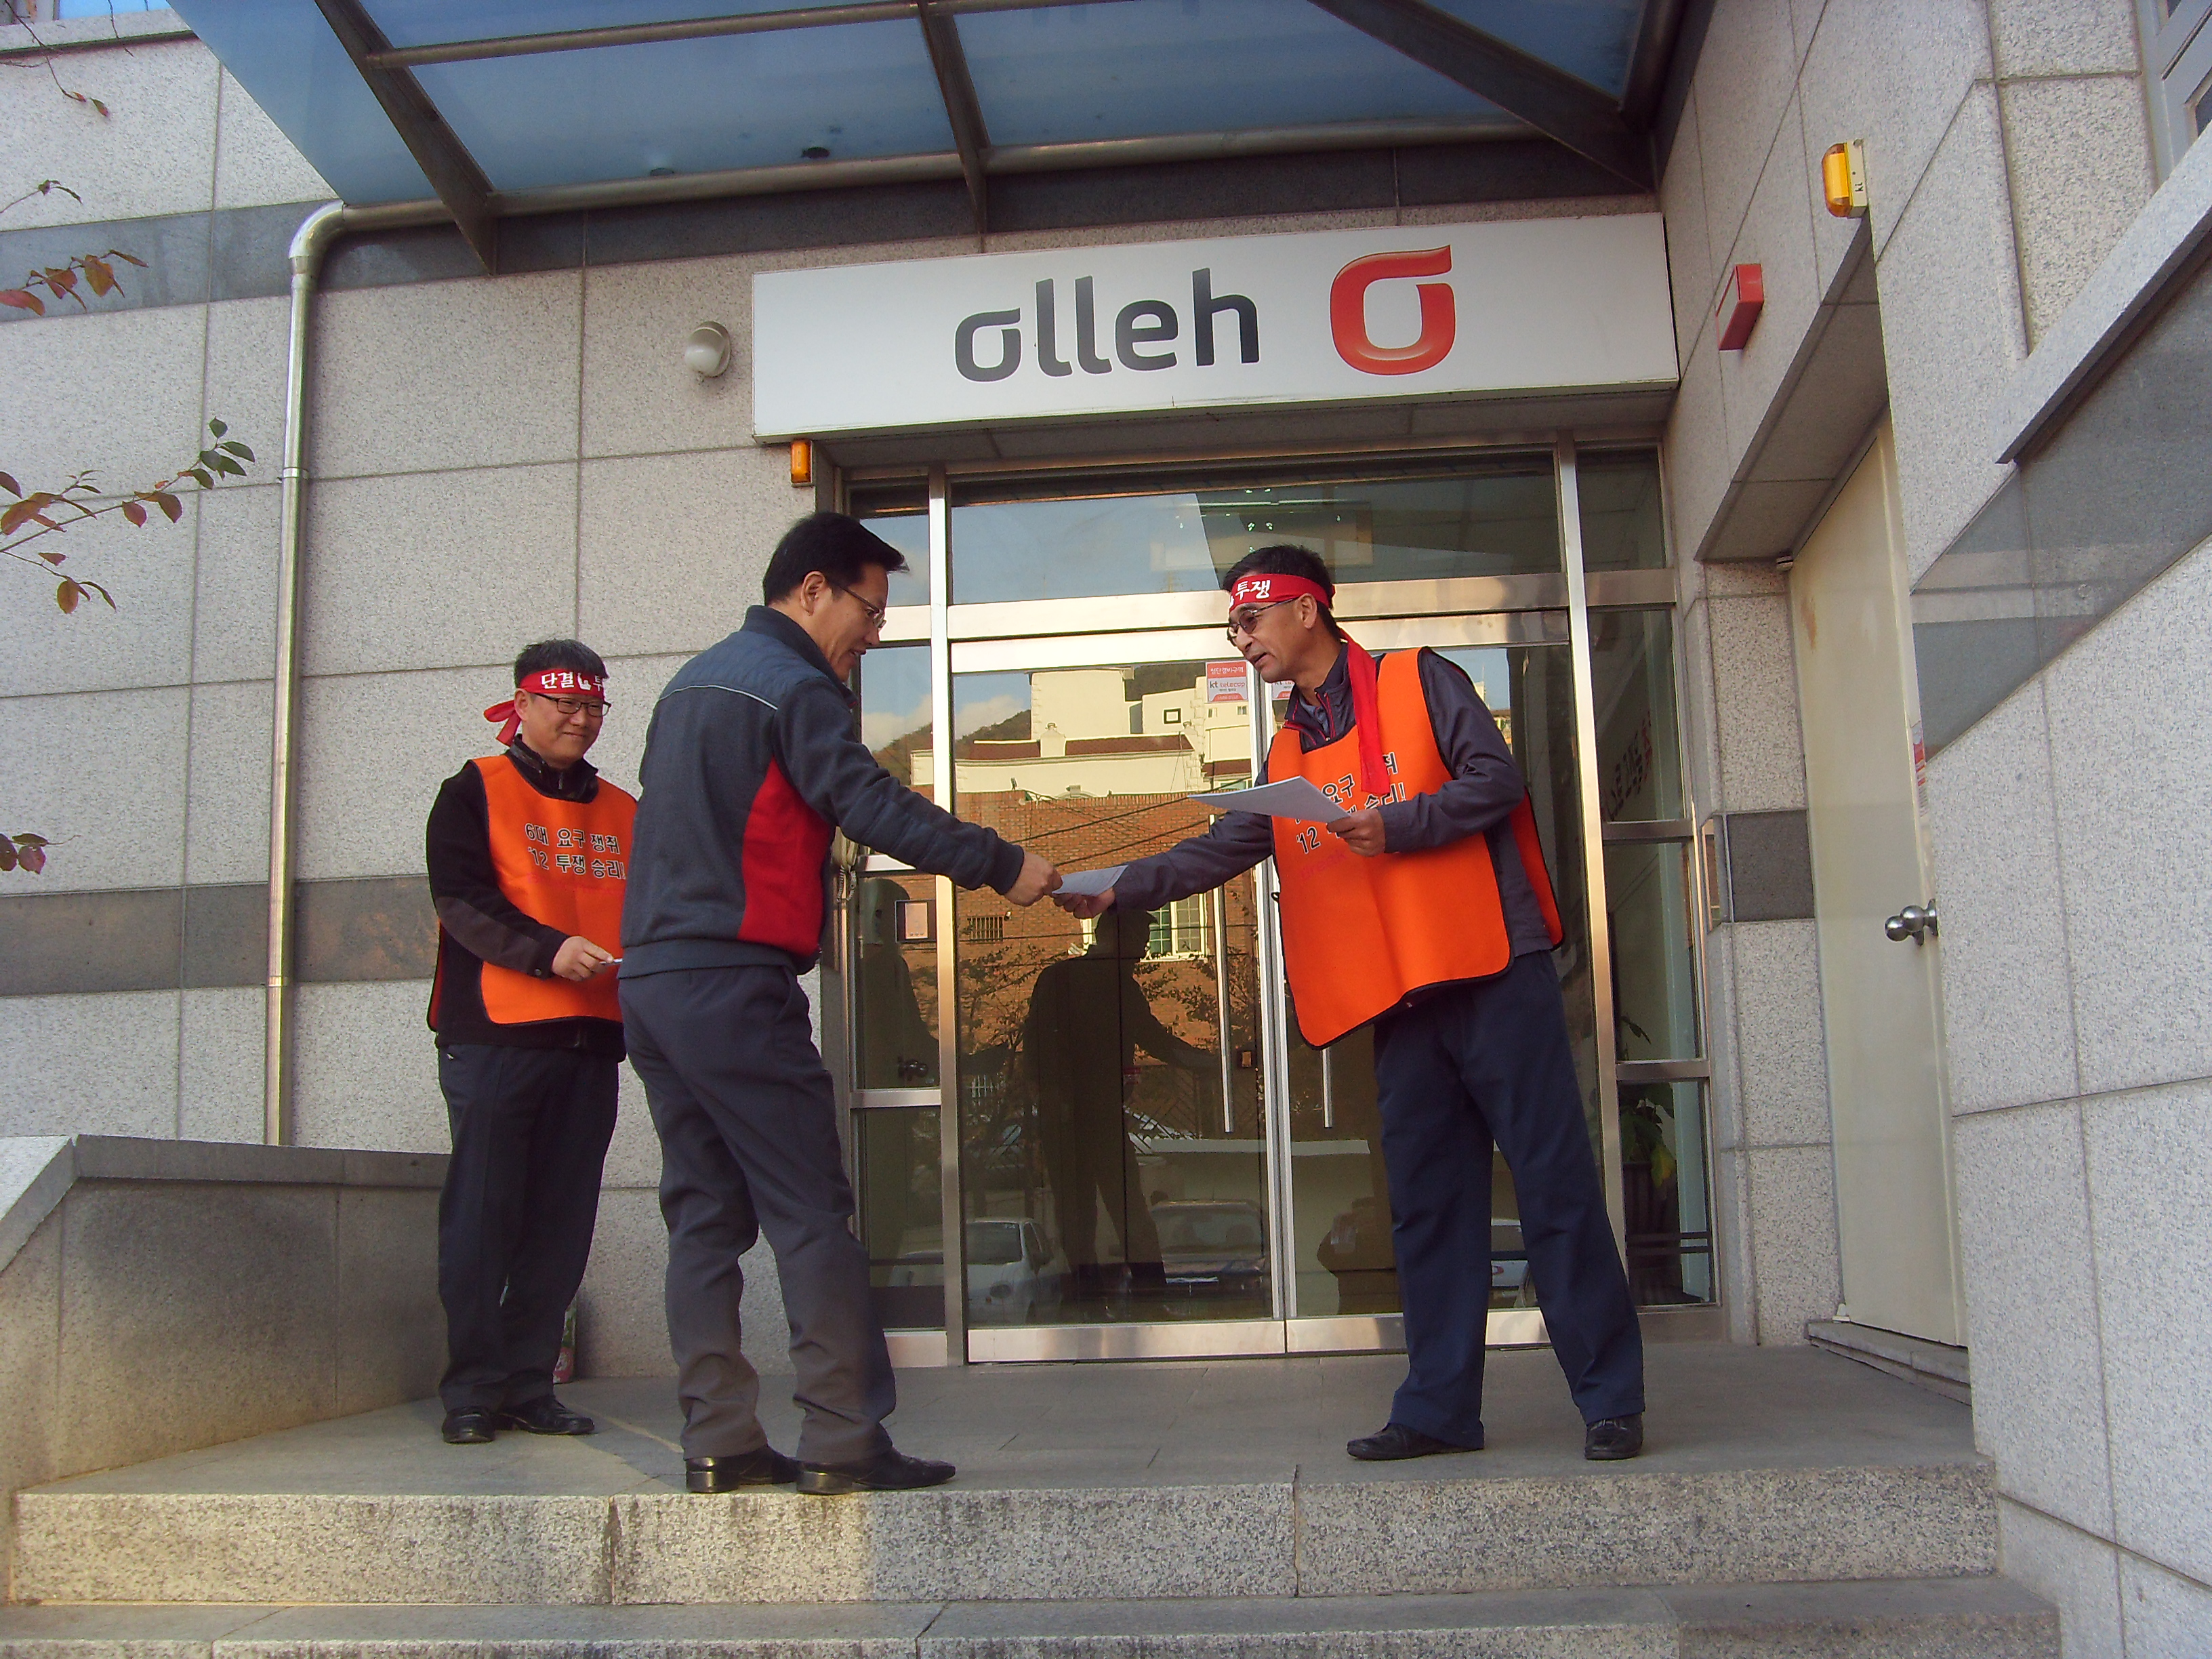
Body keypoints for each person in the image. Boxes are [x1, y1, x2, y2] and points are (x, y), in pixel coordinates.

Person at [1056, 544, 1646, 1462]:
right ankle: (1439, 1410)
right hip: (1399, 999)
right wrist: (1114, 886)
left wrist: (1398, 824)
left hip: (1494, 972)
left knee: (1552, 1187)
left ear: (1308, 610)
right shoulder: (1287, 749)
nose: (1240, 638)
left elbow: (1497, 781)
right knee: (1425, 1207)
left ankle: (1610, 1401)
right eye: (1232, 625)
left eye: (1250, 619)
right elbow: (1219, 851)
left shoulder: (1421, 678)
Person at [620, 512, 1061, 1496]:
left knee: (703, 1217)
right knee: (810, 1210)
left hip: (652, 982)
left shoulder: (689, 684)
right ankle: (843, 1437)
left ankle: (718, 1439)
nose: (873, 634)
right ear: (813, 588)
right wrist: (1000, 863)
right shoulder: (794, 685)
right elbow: (868, 802)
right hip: (734, 982)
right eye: (871, 610)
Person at [425, 639, 632, 1447]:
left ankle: (528, 1384)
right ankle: (472, 1392)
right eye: (565, 704)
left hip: (592, 1039)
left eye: (593, 707)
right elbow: (460, 900)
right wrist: (547, 951)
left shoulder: (624, 810)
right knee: (482, 1218)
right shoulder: (472, 789)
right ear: (522, 703)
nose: (580, 720)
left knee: (561, 1223)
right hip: (496, 1036)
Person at [1021, 907, 1218, 1311]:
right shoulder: (1102, 984)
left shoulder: (1074, 980)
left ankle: (1094, 1299)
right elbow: (1156, 1042)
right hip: (1084, 1115)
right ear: (1115, 939)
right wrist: (1213, 1064)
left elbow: (1035, 1051)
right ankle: (1139, 1298)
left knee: (1086, 1213)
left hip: (1079, 1116)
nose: (1142, 953)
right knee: (1118, 1212)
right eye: (1138, 943)